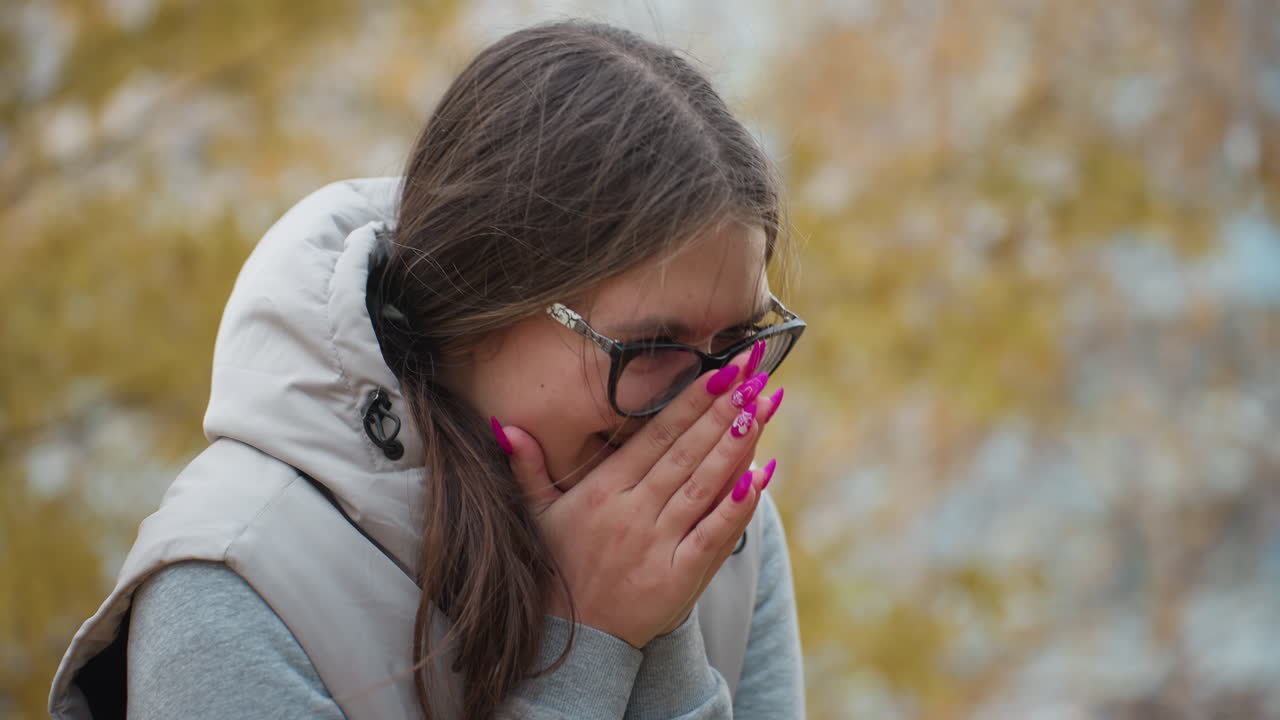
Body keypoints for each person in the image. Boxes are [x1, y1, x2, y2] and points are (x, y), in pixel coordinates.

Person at [50, 19, 805, 720]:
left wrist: (663, 635)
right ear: (479, 310)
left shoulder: (725, 532)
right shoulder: (235, 586)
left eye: (738, 340)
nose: (703, 409)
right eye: (649, 348)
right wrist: (587, 648)